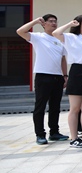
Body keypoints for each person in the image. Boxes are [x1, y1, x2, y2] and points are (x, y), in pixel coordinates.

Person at [16, 14, 69, 145]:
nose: (54, 23)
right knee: (40, 107)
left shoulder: (59, 40)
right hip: (43, 76)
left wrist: (65, 76)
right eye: (50, 21)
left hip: (57, 77)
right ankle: (40, 134)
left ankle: (54, 132)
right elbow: (20, 31)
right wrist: (34, 21)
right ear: (44, 24)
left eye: (55, 21)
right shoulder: (38, 37)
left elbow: (63, 59)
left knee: (55, 107)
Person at [53, 15, 82, 148]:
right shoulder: (71, 38)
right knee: (75, 108)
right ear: (78, 25)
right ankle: (74, 138)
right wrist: (69, 23)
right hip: (77, 71)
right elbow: (56, 33)